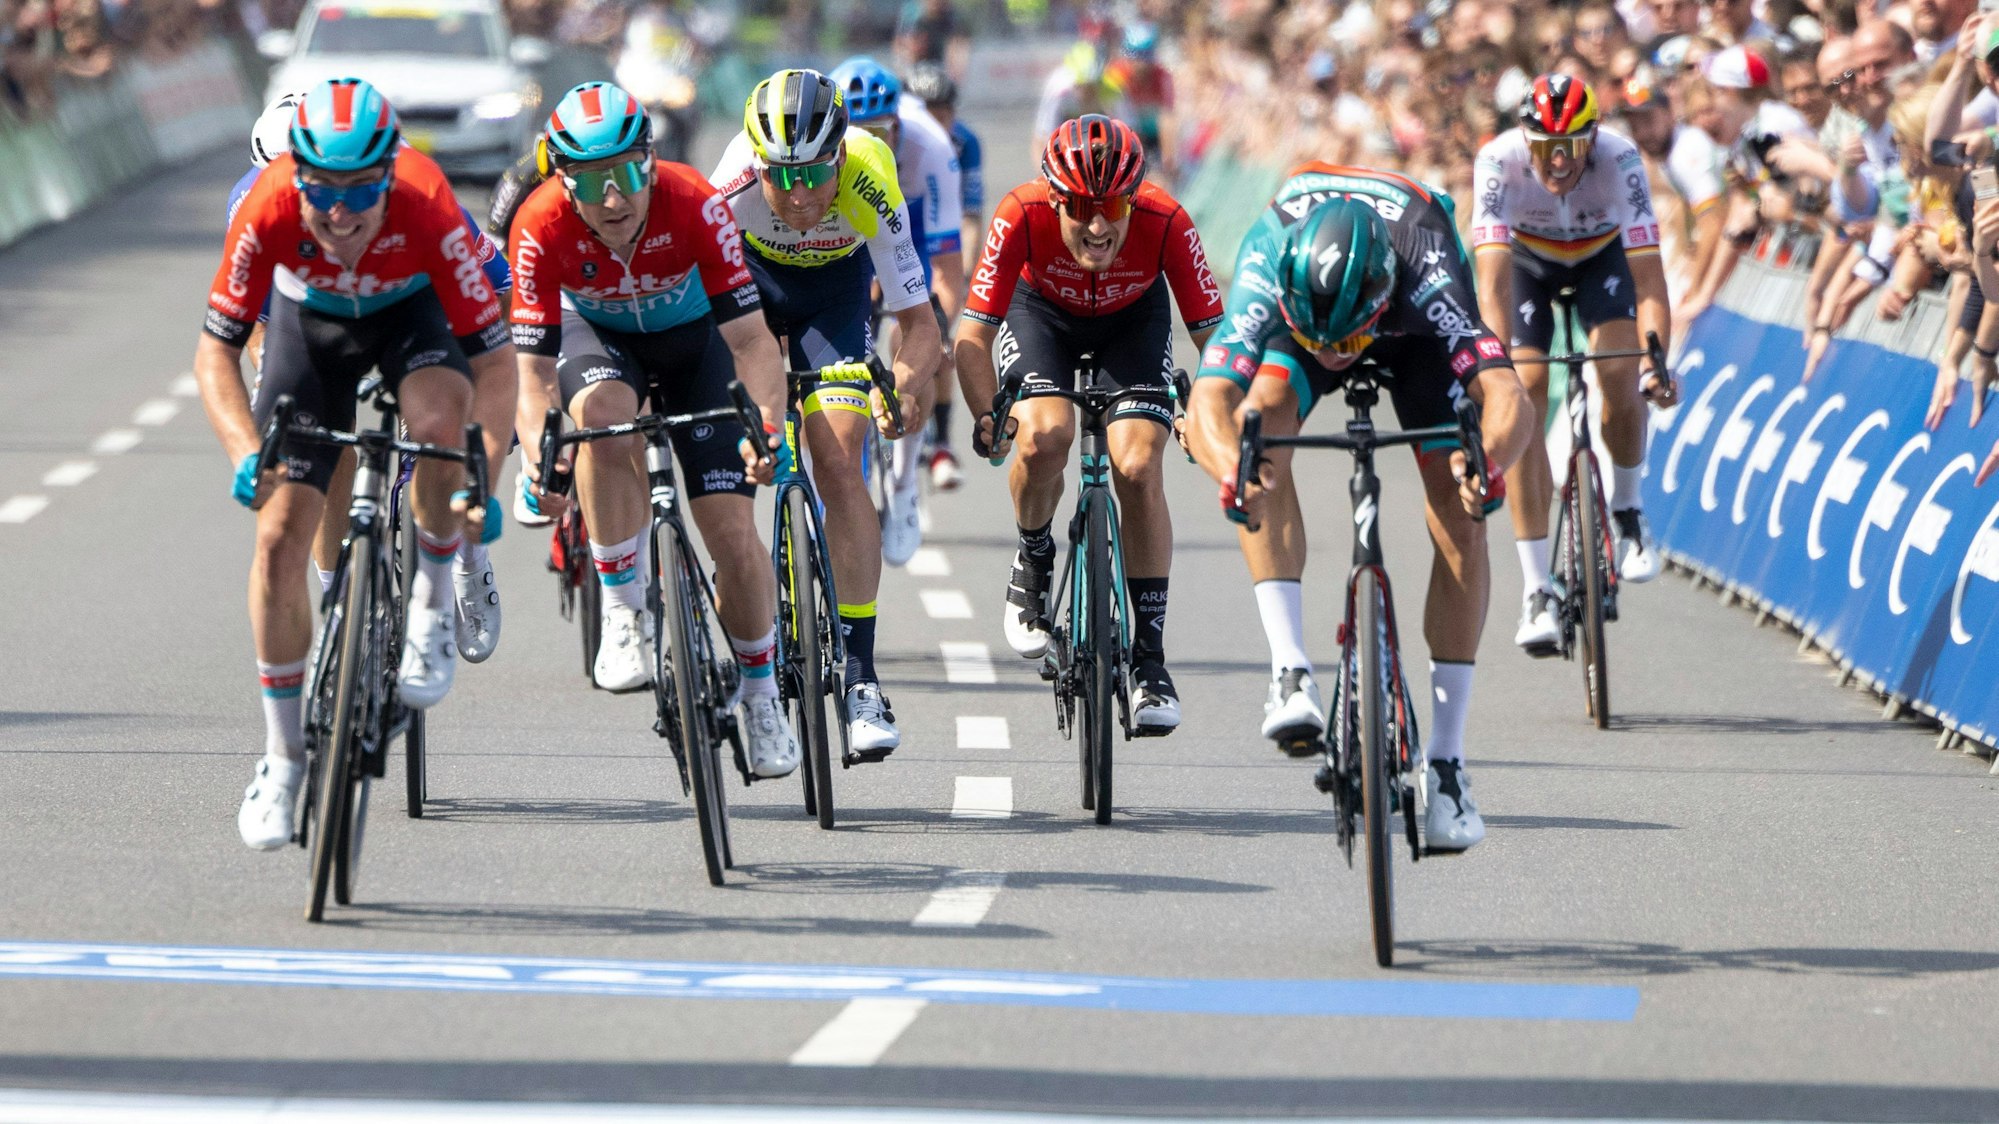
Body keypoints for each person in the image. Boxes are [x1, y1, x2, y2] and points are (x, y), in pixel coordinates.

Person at [196, 78, 514, 850]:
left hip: (413, 317)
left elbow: (498, 368)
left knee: (440, 425)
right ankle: (281, 758)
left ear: (391, 172)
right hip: (314, 326)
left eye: (362, 191)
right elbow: (218, 353)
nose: (339, 213)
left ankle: (433, 609)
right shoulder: (265, 204)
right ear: (293, 177)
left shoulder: (430, 204)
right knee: (276, 538)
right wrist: (246, 453)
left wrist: (483, 477)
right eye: (321, 192)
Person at [1182, 169, 1534, 852]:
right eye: (1320, 342)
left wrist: (1485, 465)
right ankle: (1288, 670)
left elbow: (1505, 395)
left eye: (1341, 342)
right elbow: (1208, 402)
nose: (1332, 357)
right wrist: (1232, 471)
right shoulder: (1266, 254)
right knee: (1259, 429)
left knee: (1460, 515)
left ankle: (1448, 763)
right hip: (1315, 295)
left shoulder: (1423, 264)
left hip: (1411, 336)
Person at [508, 82, 799, 773]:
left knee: (731, 532)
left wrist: (769, 432)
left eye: (627, 175)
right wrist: (535, 458)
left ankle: (760, 695)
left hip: (697, 345)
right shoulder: (538, 223)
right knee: (601, 425)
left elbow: (754, 342)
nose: (614, 199)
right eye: (591, 181)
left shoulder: (694, 200)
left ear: (649, 160)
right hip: (599, 342)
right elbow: (532, 377)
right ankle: (621, 609)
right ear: (561, 178)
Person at [956, 114, 1222, 734]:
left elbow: (1219, 340)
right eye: (1079, 207)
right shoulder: (1019, 213)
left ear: (1134, 199)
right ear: (1055, 198)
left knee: (1135, 464)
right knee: (1045, 436)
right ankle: (1034, 553)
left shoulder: (1168, 222)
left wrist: (1208, 408)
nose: (1098, 225)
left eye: (1113, 206)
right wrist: (987, 415)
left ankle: (1149, 663)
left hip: (1134, 321)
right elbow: (972, 335)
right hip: (1040, 314)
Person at [233, 91, 518, 665]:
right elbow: (254, 325)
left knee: (440, 430)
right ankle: (338, 590)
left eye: (351, 186)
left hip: (420, 304)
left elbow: (501, 300)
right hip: (318, 314)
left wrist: (471, 442)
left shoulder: (422, 194)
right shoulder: (257, 202)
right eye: (301, 185)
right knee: (316, 435)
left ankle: (465, 558)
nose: (327, 208)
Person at [711, 68, 942, 757]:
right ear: (756, 165)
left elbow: (919, 325)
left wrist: (897, 387)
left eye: (815, 174)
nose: (801, 194)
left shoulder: (870, 176)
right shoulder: (727, 192)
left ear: (841, 153)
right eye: (781, 177)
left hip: (835, 299)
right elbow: (694, 318)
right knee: (736, 472)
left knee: (839, 461)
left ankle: (862, 678)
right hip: (748, 292)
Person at [1470, 74, 1675, 658]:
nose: (1558, 161)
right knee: (1525, 392)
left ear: (1594, 137)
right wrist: (1495, 373)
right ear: (1524, 139)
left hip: (1599, 260)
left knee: (1619, 371)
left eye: (1572, 145)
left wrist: (1655, 362)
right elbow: (1490, 285)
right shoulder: (1497, 161)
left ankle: (1628, 509)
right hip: (1527, 265)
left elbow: (1651, 281)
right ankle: (1537, 587)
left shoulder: (1621, 159)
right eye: (1545, 147)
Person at [829, 56, 969, 553]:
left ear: (899, 126)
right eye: (855, 133)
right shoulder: (823, 154)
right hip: (846, 221)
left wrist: (936, 333)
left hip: (910, 220)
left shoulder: (931, 148)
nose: (869, 144)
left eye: (881, 133)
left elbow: (948, 269)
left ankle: (905, 483)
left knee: (917, 343)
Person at [904, 60, 983, 487]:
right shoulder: (899, 137)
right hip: (899, 236)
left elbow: (971, 217)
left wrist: (965, 272)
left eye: (943, 111)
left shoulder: (966, 143)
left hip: (942, 238)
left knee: (941, 333)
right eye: (925, 110)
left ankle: (941, 442)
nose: (935, 120)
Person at [1616, 70, 1725, 305]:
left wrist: (1694, 292)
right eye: (1635, 125)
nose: (1642, 133)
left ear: (1669, 113)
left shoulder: (1686, 151)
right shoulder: (1668, 154)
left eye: (1648, 120)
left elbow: (1713, 224)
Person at [1106, 21, 1177, 182]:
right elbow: (1114, 118)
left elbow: (1167, 118)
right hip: (1121, 133)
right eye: (1136, 59)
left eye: (1146, 60)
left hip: (1150, 135)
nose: (1141, 66)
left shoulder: (1162, 77)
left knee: (1160, 180)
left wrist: (1169, 158)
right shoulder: (1115, 76)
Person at [1032, 41, 1131, 151]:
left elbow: (1129, 132)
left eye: (1092, 87)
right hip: (1065, 132)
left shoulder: (1113, 88)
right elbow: (1042, 136)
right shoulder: (1058, 90)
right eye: (1081, 86)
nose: (1087, 92)